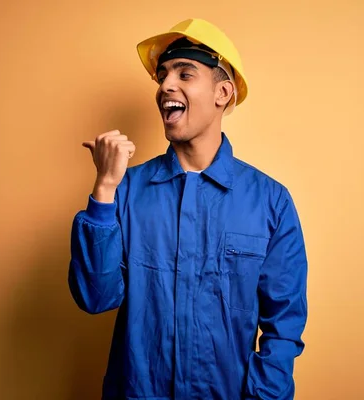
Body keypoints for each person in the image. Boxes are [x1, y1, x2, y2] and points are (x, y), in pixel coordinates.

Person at [69, 18, 308, 400]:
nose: (165, 86)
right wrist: (104, 187)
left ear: (222, 93)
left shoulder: (271, 202)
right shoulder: (126, 190)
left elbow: (284, 325)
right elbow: (96, 297)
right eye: (162, 75)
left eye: (185, 73)